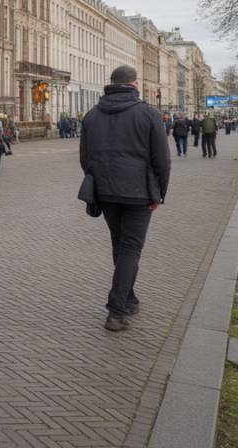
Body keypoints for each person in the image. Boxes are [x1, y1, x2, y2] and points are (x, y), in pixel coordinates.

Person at [80, 65, 170, 332]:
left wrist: (100, 180)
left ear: (111, 83)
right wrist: (160, 194)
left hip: (106, 191)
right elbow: (162, 161)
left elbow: (85, 159)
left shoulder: (92, 115)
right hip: (138, 192)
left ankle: (128, 298)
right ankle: (116, 310)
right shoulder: (149, 113)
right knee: (130, 248)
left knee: (120, 246)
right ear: (134, 84)